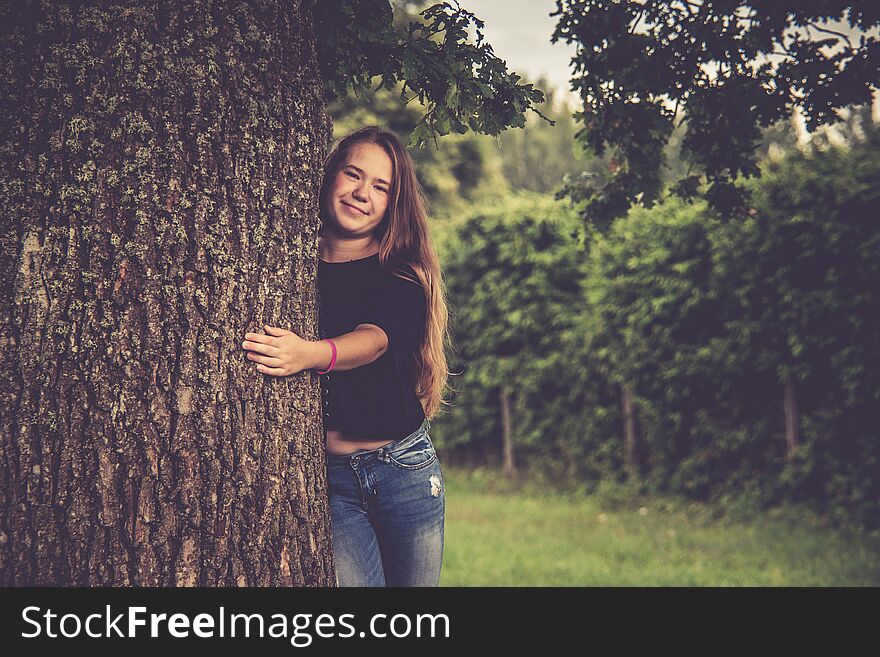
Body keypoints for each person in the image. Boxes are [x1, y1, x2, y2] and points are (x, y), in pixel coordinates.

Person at [239, 125, 451, 587]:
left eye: (380, 186)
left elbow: (372, 341)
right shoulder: (289, 261)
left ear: (394, 202)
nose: (361, 193)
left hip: (403, 471)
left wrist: (308, 354)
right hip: (329, 481)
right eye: (353, 174)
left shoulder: (400, 274)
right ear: (330, 173)